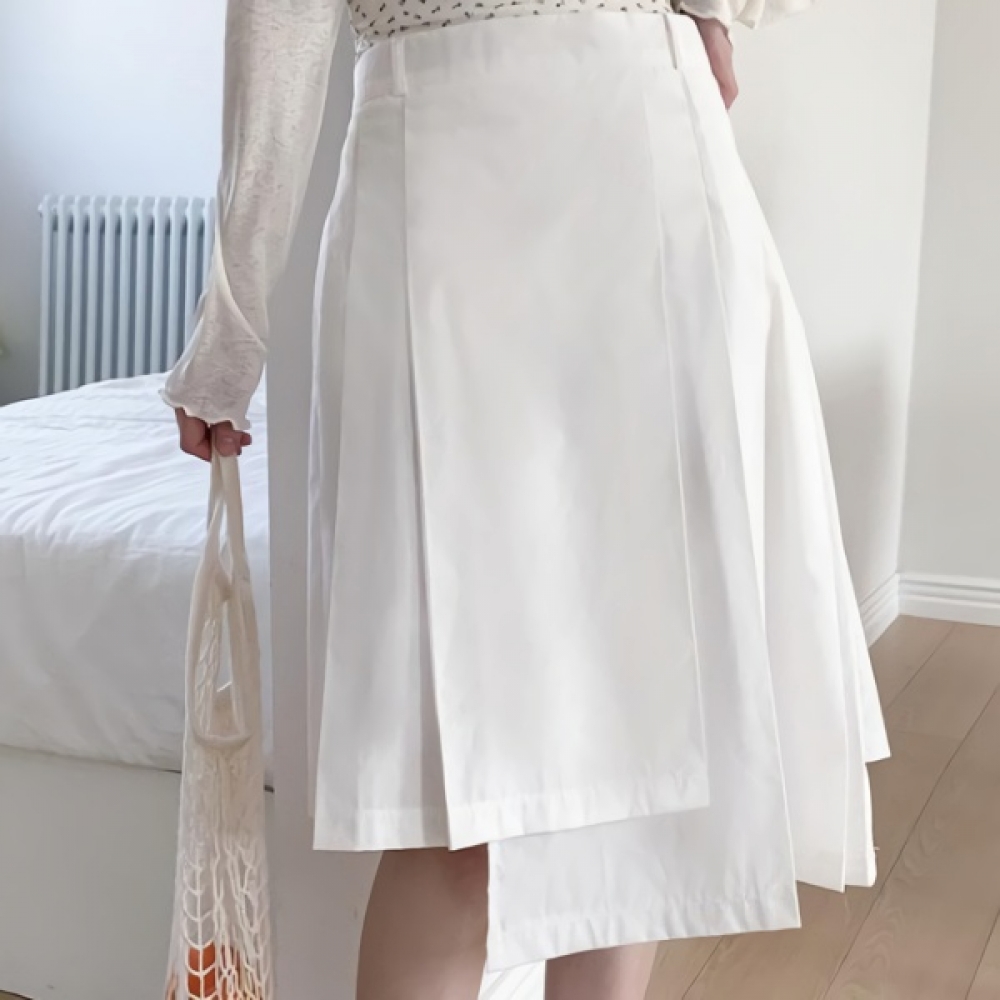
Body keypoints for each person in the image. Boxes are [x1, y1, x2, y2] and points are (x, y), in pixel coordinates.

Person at [164, 0, 889, 997]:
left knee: (644, 764)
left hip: (649, 130)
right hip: (437, 162)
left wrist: (712, 12)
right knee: (450, 805)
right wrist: (232, 321)